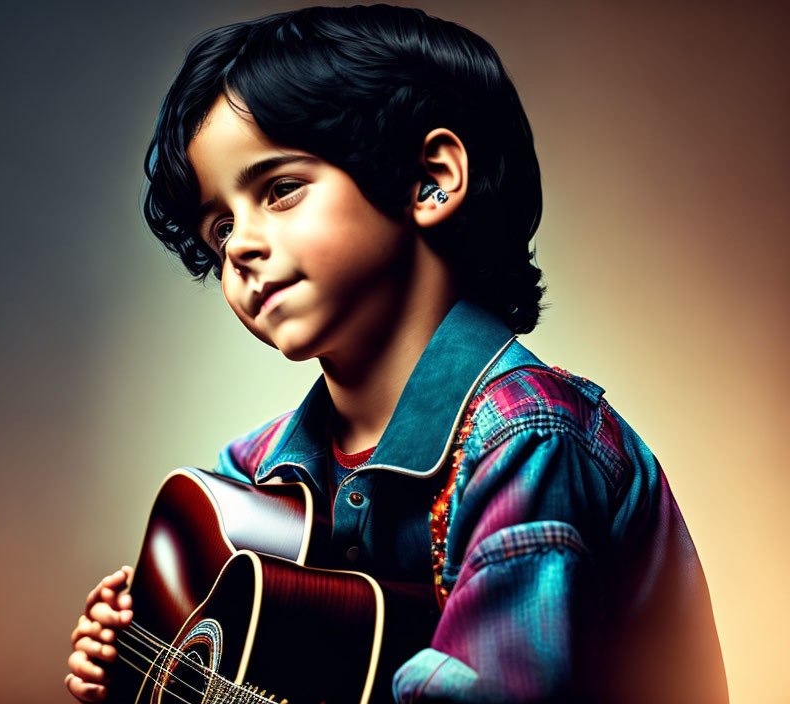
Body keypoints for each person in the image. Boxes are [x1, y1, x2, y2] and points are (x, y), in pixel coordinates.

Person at [66, 6, 728, 702]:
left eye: (279, 189)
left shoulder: (528, 439)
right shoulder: (252, 480)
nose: (238, 247)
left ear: (431, 179)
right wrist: (137, 668)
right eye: (219, 226)